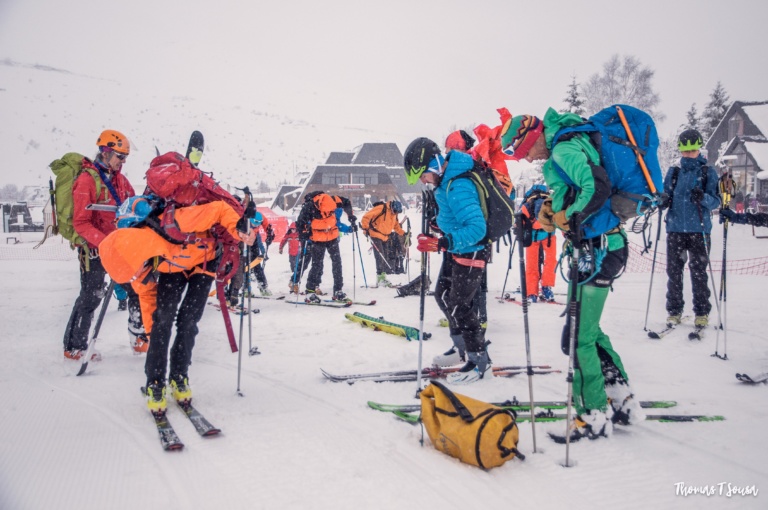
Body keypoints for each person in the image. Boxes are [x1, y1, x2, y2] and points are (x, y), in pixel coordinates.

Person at [500, 110, 642, 440]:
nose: (529, 159)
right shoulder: (565, 147)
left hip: (599, 249)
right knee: (584, 332)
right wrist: (549, 212)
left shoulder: (563, 149)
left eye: (525, 152)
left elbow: (597, 187)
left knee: (579, 337)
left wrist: (572, 217)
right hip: (596, 248)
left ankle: (593, 414)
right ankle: (621, 398)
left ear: (531, 137)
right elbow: (577, 193)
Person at [100, 198, 254, 413]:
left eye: (135, 272)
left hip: (204, 261)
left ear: (136, 254)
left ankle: (179, 376)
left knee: (188, 321)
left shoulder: (177, 221)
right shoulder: (139, 265)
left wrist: (239, 230)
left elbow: (218, 209)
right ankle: (155, 382)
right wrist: (153, 338)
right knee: (161, 321)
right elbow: (148, 301)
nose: (136, 276)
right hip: (172, 268)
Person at [403, 137, 490, 385]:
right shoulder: (445, 182)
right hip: (457, 249)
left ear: (434, 164)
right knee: (442, 295)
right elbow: (454, 217)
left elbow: (477, 229)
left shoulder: (458, 185)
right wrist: (437, 227)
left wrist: (443, 242)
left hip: (472, 251)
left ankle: (479, 359)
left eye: (423, 175)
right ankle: (461, 349)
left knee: (459, 305)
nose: (423, 181)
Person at [62, 129, 146, 360]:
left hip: (118, 248)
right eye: (120, 156)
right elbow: (81, 222)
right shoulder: (86, 180)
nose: (123, 161)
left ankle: (139, 337)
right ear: (105, 151)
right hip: (93, 250)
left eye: (125, 157)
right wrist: (105, 243)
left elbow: (132, 207)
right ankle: (74, 346)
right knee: (92, 296)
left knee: (137, 287)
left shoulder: (121, 180)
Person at [662, 129, 721, 329]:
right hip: (675, 229)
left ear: (699, 150)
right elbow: (665, 195)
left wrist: (703, 197)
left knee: (698, 272)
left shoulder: (707, 172)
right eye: (685, 151)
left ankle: (701, 313)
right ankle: (674, 311)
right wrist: (662, 200)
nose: (688, 154)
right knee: (674, 272)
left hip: (699, 230)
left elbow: (715, 202)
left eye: (692, 151)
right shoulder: (674, 172)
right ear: (680, 150)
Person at [295, 191, 356, 302]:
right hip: (320, 238)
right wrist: (304, 233)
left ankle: (336, 290)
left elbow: (346, 202)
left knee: (333, 263)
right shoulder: (311, 206)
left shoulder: (332, 200)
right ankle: (312, 291)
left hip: (329, 236)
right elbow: (300, 223)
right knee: (320, 265)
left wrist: (351, 216)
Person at [519, 184, 558, 302]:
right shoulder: (552, 203)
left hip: (532, 237)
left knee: (531, 264)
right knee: (551, 261)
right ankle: (547, 287)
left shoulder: (526, 206)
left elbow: (519, 223)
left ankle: (532, 293)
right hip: (549, 235)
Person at [361, 200, 405, 285]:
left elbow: (396, 226)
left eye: (397, 212)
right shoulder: (381, 208)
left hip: (385, 237)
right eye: (395, 211)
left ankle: (382, 277)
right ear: (392, 207)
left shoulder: (394, 215)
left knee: (385, 257)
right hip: (375, 234)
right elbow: (366, 217)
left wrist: (403, 233)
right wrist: (365, 228)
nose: (395, 213)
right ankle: (380, 277)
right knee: (380, 256)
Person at [279, 222, 309, 293]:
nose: (293, 230)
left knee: (297, 266)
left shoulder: (299, 234)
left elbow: (303, 242)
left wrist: (303, 248)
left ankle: (294, 279)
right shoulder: (288, 235)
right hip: (291, 253)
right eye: (292, 229)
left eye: (294, 229)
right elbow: (283, 241)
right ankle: (293, 276)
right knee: (292, 264)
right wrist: (281, 248)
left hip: (298, 253)